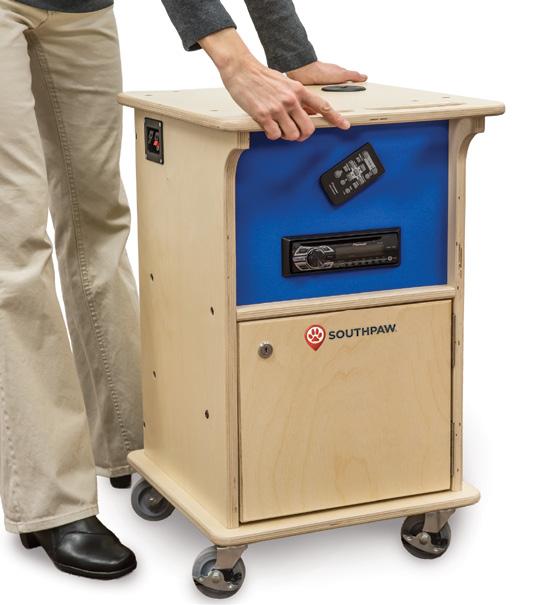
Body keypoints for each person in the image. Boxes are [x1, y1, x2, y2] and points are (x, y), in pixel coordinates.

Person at [0, 0, 366, 580]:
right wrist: (234, 60)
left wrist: (290, 53)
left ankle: (131, 444)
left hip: (81, 11)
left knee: (101, 220)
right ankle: (53, 502)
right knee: (15, 243)